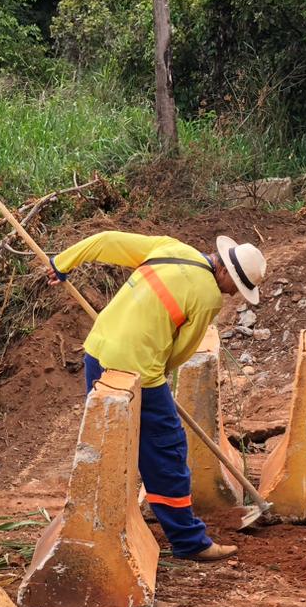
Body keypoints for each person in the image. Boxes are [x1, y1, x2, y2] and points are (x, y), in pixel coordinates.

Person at [47, 230, 267, 561]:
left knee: (111, 441)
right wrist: (158, 373)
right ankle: (190, 542)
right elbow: (181, 352)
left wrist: (62, 263)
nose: (235, 294)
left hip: (98, 352)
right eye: (236, 285)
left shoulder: (171, 247)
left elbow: (106, 240)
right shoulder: (209, 297)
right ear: (224, 272)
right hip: (138, 370)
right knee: (167, 450)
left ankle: (98, 525)